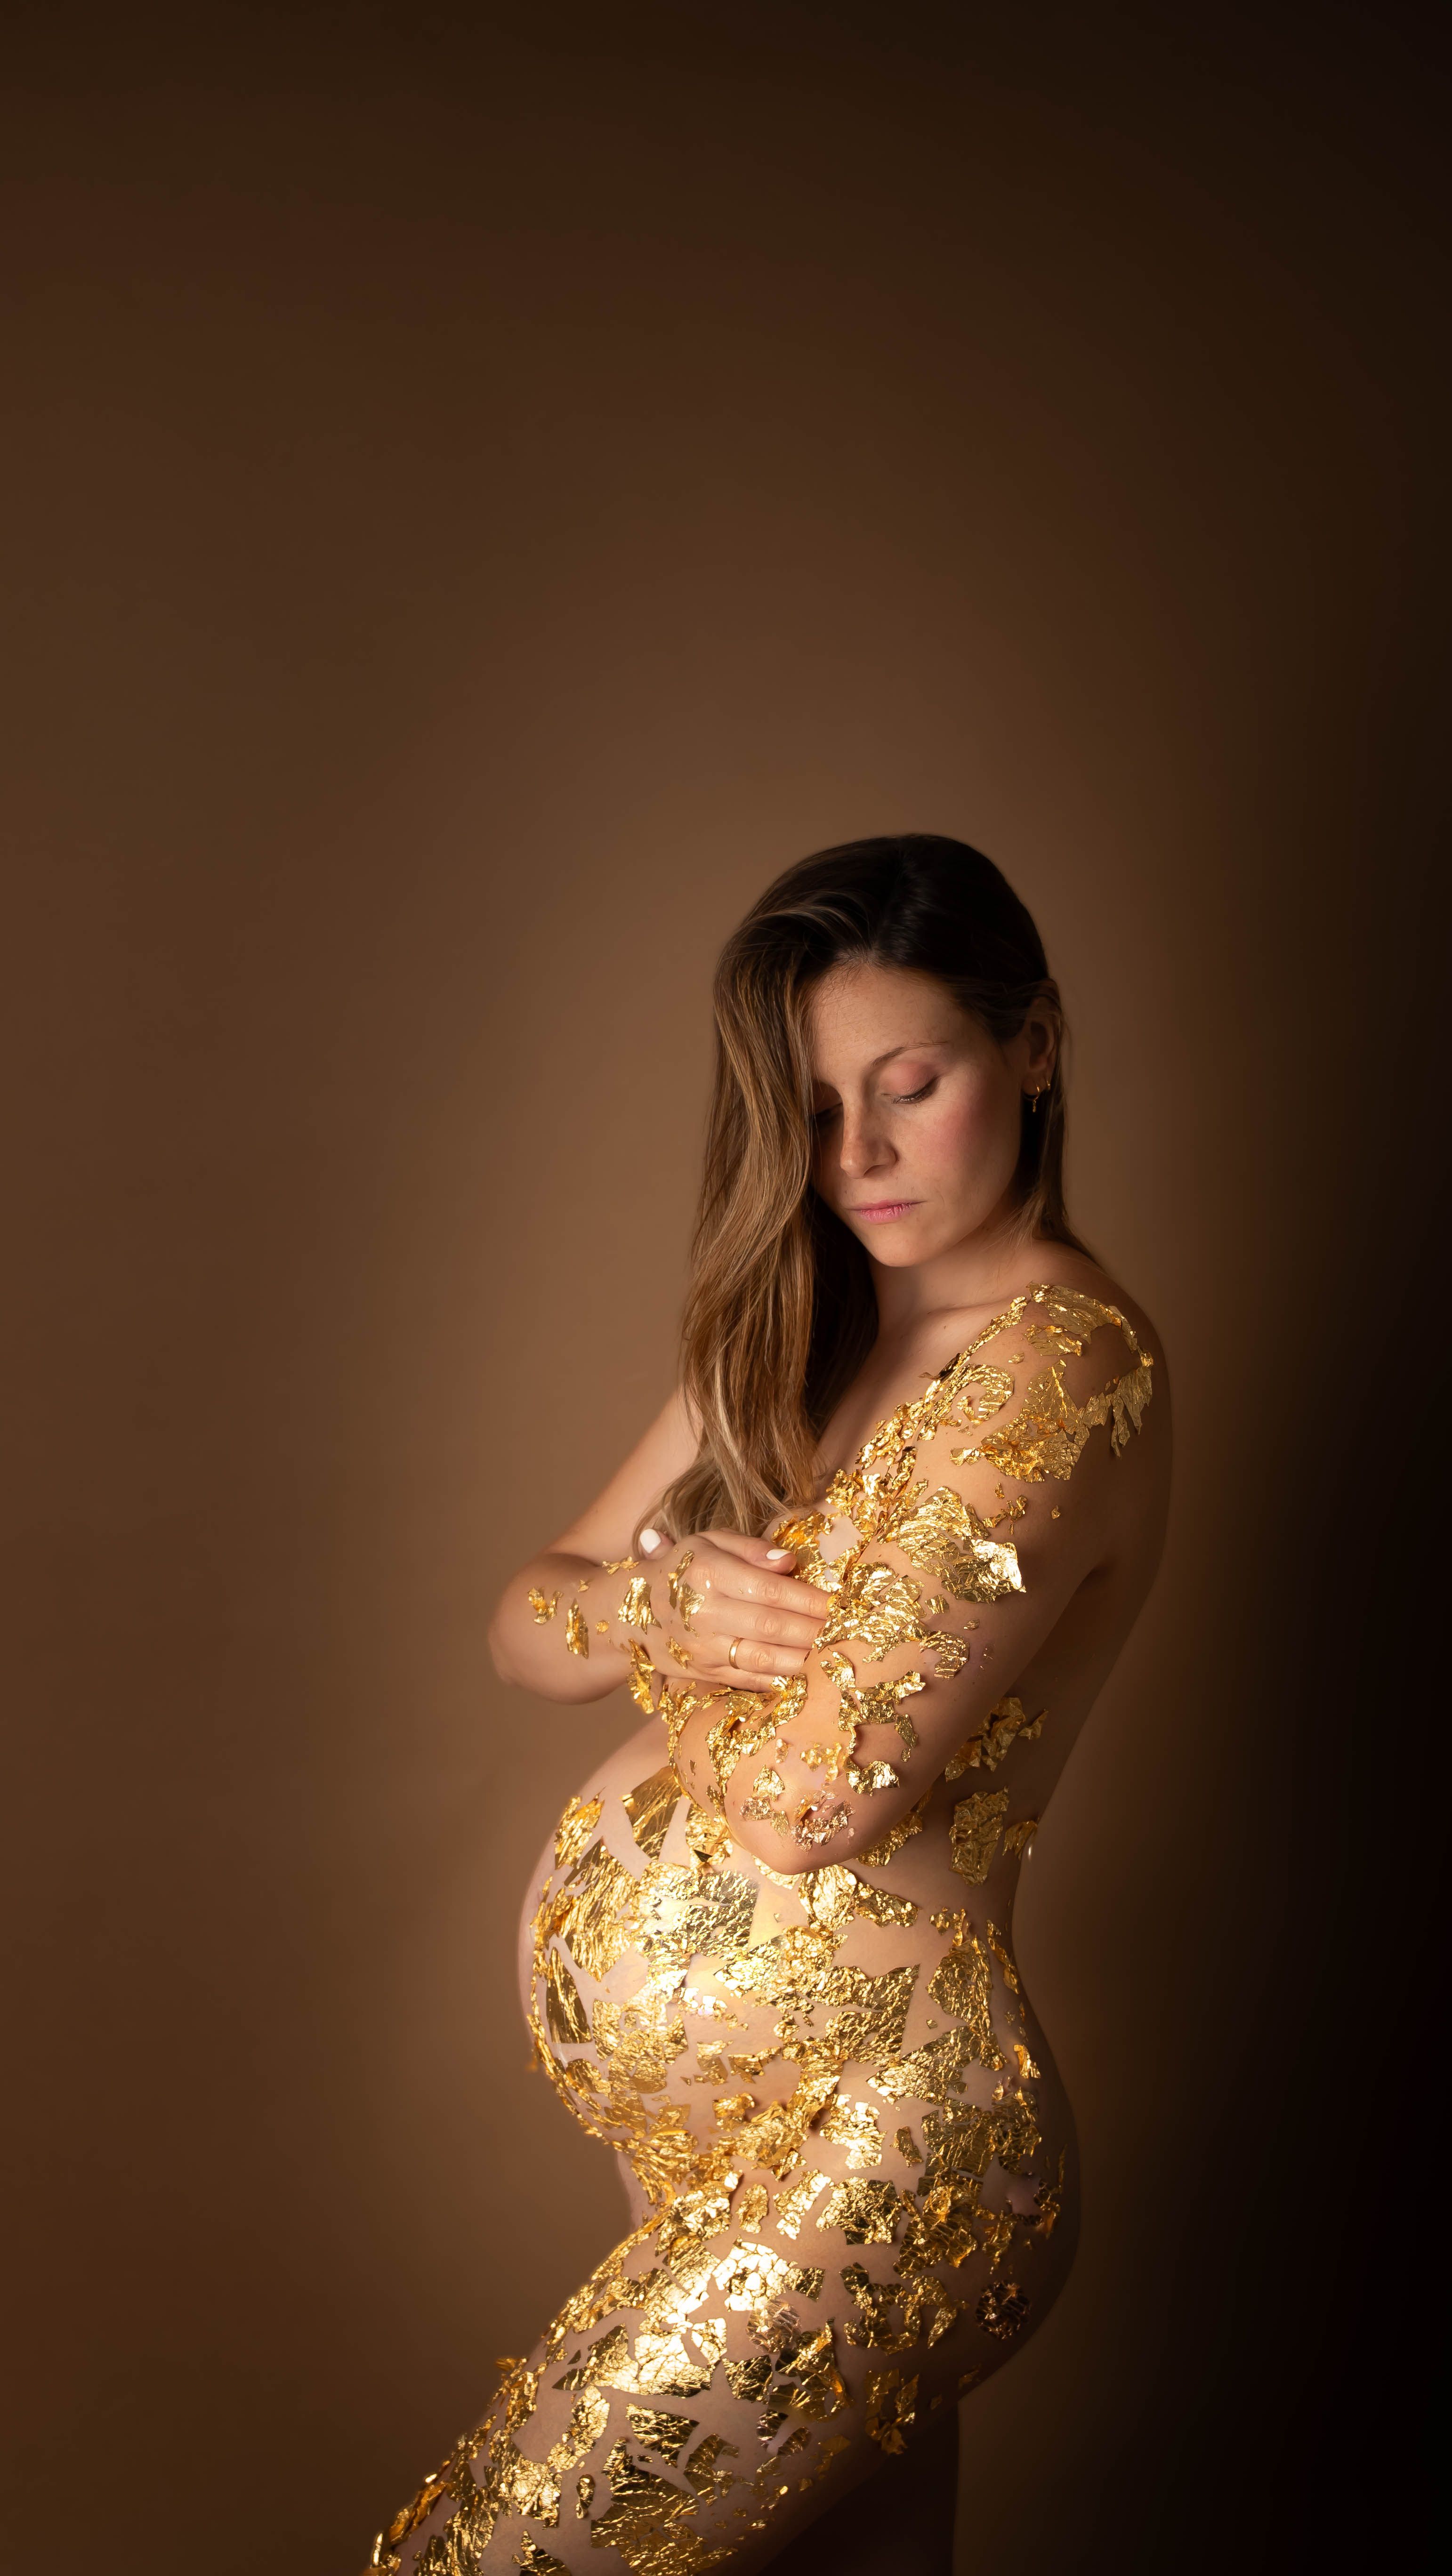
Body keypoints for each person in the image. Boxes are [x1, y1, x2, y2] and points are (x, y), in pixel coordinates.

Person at [367, 836, 1168, 2576]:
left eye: (912, 1085)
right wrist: (664, 1595)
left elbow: (817, 1803)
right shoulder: (802, 1331)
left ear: (1032, 1048)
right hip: (728, 2138)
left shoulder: (1059, 1358)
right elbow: (526, 1620)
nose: (859, 1155)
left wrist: (654, 1632)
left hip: (881, 2149)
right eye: (813, 1109)